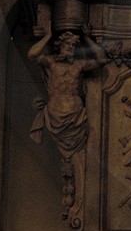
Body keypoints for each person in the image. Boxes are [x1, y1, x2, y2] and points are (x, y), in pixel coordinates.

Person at [27, 24, 107, 196]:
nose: (71, 48)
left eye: (73, 46)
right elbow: (32, 55)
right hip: (56, 115)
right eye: (68, 45)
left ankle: (79, 192)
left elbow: (102, 59)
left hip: (76, 116)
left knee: (80, 158)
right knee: (69, 159)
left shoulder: (78, 65)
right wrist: (47, 36)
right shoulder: (51, 62)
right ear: (60, 45)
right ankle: (73, 189)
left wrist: (87, 39)